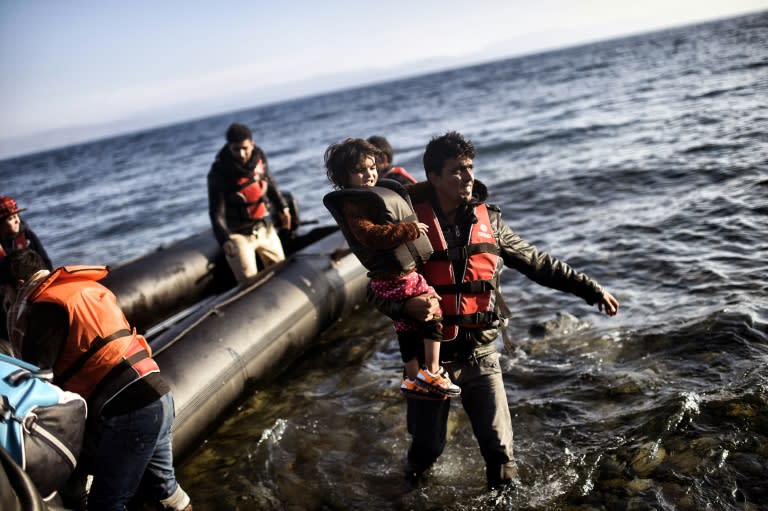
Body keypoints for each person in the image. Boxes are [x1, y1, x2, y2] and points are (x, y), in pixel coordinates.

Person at [369, 131, 620, 490]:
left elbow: (538, 263)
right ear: (434, 177)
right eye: (456, 170)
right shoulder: (408, 228)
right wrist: (405, 303)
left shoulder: (492, 222)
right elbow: (376, 290)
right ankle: (406, 491)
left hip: (481, 354)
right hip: (431, 362)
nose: (468, 176)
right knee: (427, 449)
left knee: (500, 452)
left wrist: (590, 289)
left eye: (470, 167)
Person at [1, 249, 192, 511]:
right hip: (157, 392)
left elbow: (38, 379)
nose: (7, 302)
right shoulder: (81, 289)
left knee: (106, 503)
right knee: (166, 492)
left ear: (19, 286)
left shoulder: (44, 306)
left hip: (128, 410)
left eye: (5, 295)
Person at [323, 138, 460, 399]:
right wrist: (408, 230)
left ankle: (411, 379)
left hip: (392, 277)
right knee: (434, 312)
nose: (369, 174)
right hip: (396, 277)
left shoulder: (374, 193)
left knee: (407, 329)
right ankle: (432, 372)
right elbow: (370, 235)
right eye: (360, 171)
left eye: (371, 167)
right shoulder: (353, 204)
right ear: (344, 177)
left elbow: (411, 194)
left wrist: (439, 185)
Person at [207, 123, 292, 284]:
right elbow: (215, 211)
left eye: (245, 148)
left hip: (263, 227)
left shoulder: (259, 158)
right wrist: (224, 239)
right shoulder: (219, 172)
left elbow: (270, 183)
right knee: (249, 281)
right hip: (238, 235)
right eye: (235, 149)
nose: (241, 153)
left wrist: (283, 208)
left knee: (282, 270)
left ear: (252, 144)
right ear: (228, 147)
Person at [1, 195, 52, 344]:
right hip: (8, 302)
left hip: (36, 291)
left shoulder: (27, 236)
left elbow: (46, 263)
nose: (17, 220)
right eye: (10, 218)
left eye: (17, 216)